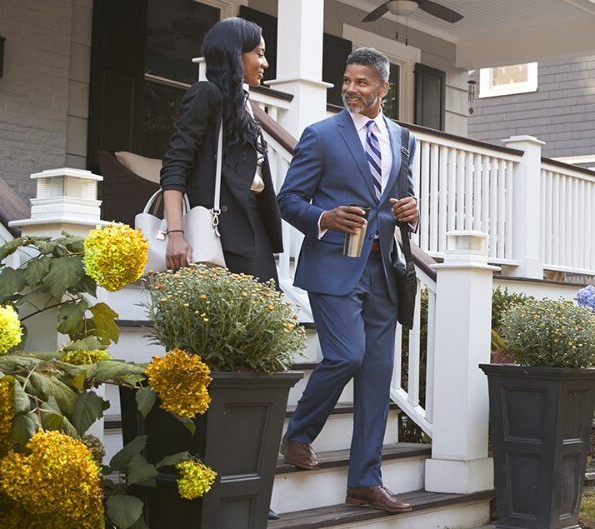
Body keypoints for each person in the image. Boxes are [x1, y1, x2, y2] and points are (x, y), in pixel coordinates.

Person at [276, 47, 419, 514]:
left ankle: (365, 480)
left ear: (384, 89)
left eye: (362, 83)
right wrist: (324, 218)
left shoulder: (402, 138)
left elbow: (401, 196)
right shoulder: (320, 135)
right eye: (347, 81)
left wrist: (411, 212)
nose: (352, 90)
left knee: (378, 376)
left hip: (382, 269)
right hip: (334, 265)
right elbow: (289, 199)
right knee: (345, 354)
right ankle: (297, 435)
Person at [159, 17, 282, 285]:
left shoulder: (244, 104)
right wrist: (176, 233)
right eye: (259, 54)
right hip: (220, 225)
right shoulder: (206, 94)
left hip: (251, 220)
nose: (265, 63)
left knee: (263, 314)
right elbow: (175, 164)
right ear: (235, 53)